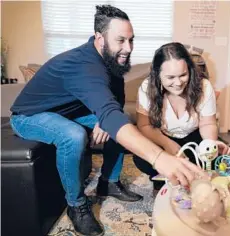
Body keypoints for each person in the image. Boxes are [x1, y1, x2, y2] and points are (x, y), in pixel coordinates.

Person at [9, 5, 203, 236]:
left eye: (131, 40)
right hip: (29, 116)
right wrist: (159, 157)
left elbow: (115, 104)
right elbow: (108, 111)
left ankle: (108, 182)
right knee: (74, 135)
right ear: (100, 38)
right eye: (120, 40)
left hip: (66, 112)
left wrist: (103, 120)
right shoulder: (84, 66)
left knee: (121, 122)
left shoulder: (112, 61)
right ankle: (76, 205)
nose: (128, 48)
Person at [133, 42, 230, 190]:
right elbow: (144, 125)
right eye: (170, 77)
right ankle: (166, 175)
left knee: (215, 155)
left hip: (194, 135)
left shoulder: (204, 87)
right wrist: (168, 144)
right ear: (157, 74)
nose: (178, 83)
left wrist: (209, 144)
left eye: (183, 75)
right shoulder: (147, 87)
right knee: (142, 158)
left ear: (190, 70)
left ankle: (185, 175)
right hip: (161, 136)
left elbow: (207, 123)